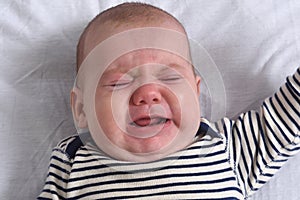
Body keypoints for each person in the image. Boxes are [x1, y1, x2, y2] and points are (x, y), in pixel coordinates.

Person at [38, 2, 299, 199]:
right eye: (119, 82)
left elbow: (282, 123)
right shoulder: (74, 161)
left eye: (170, 77)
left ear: (196, 93)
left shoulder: (221, 147)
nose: (148, 93)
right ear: (82, 110)